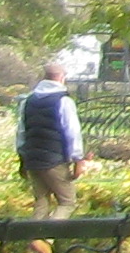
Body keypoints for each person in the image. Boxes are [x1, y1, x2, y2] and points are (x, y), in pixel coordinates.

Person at [18, 59, 85, 214]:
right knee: (67, 202)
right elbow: (72, 132)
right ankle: (50, 230)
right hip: (54, 160)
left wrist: (23, 158)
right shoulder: (64, 101)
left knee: (41, 201)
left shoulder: (28, 101)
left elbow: (21, 132)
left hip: (32, 159)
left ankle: (36, 230)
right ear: (62, 77)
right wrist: (78, 159)